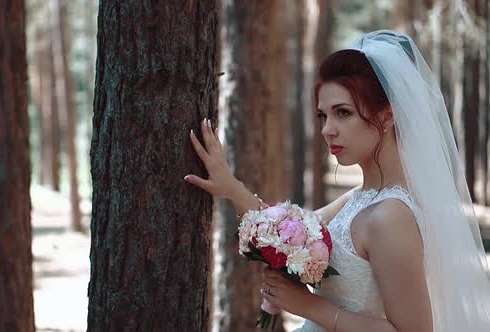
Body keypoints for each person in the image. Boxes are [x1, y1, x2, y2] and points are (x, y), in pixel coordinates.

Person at [183, 30, 490, 331]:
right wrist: (230, 185)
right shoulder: (362, 197)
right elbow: (286, 233)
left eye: (343, 113)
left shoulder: (391, 216)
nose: (328, 129)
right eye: (323, 115)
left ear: (386, 116)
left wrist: (307, 306)